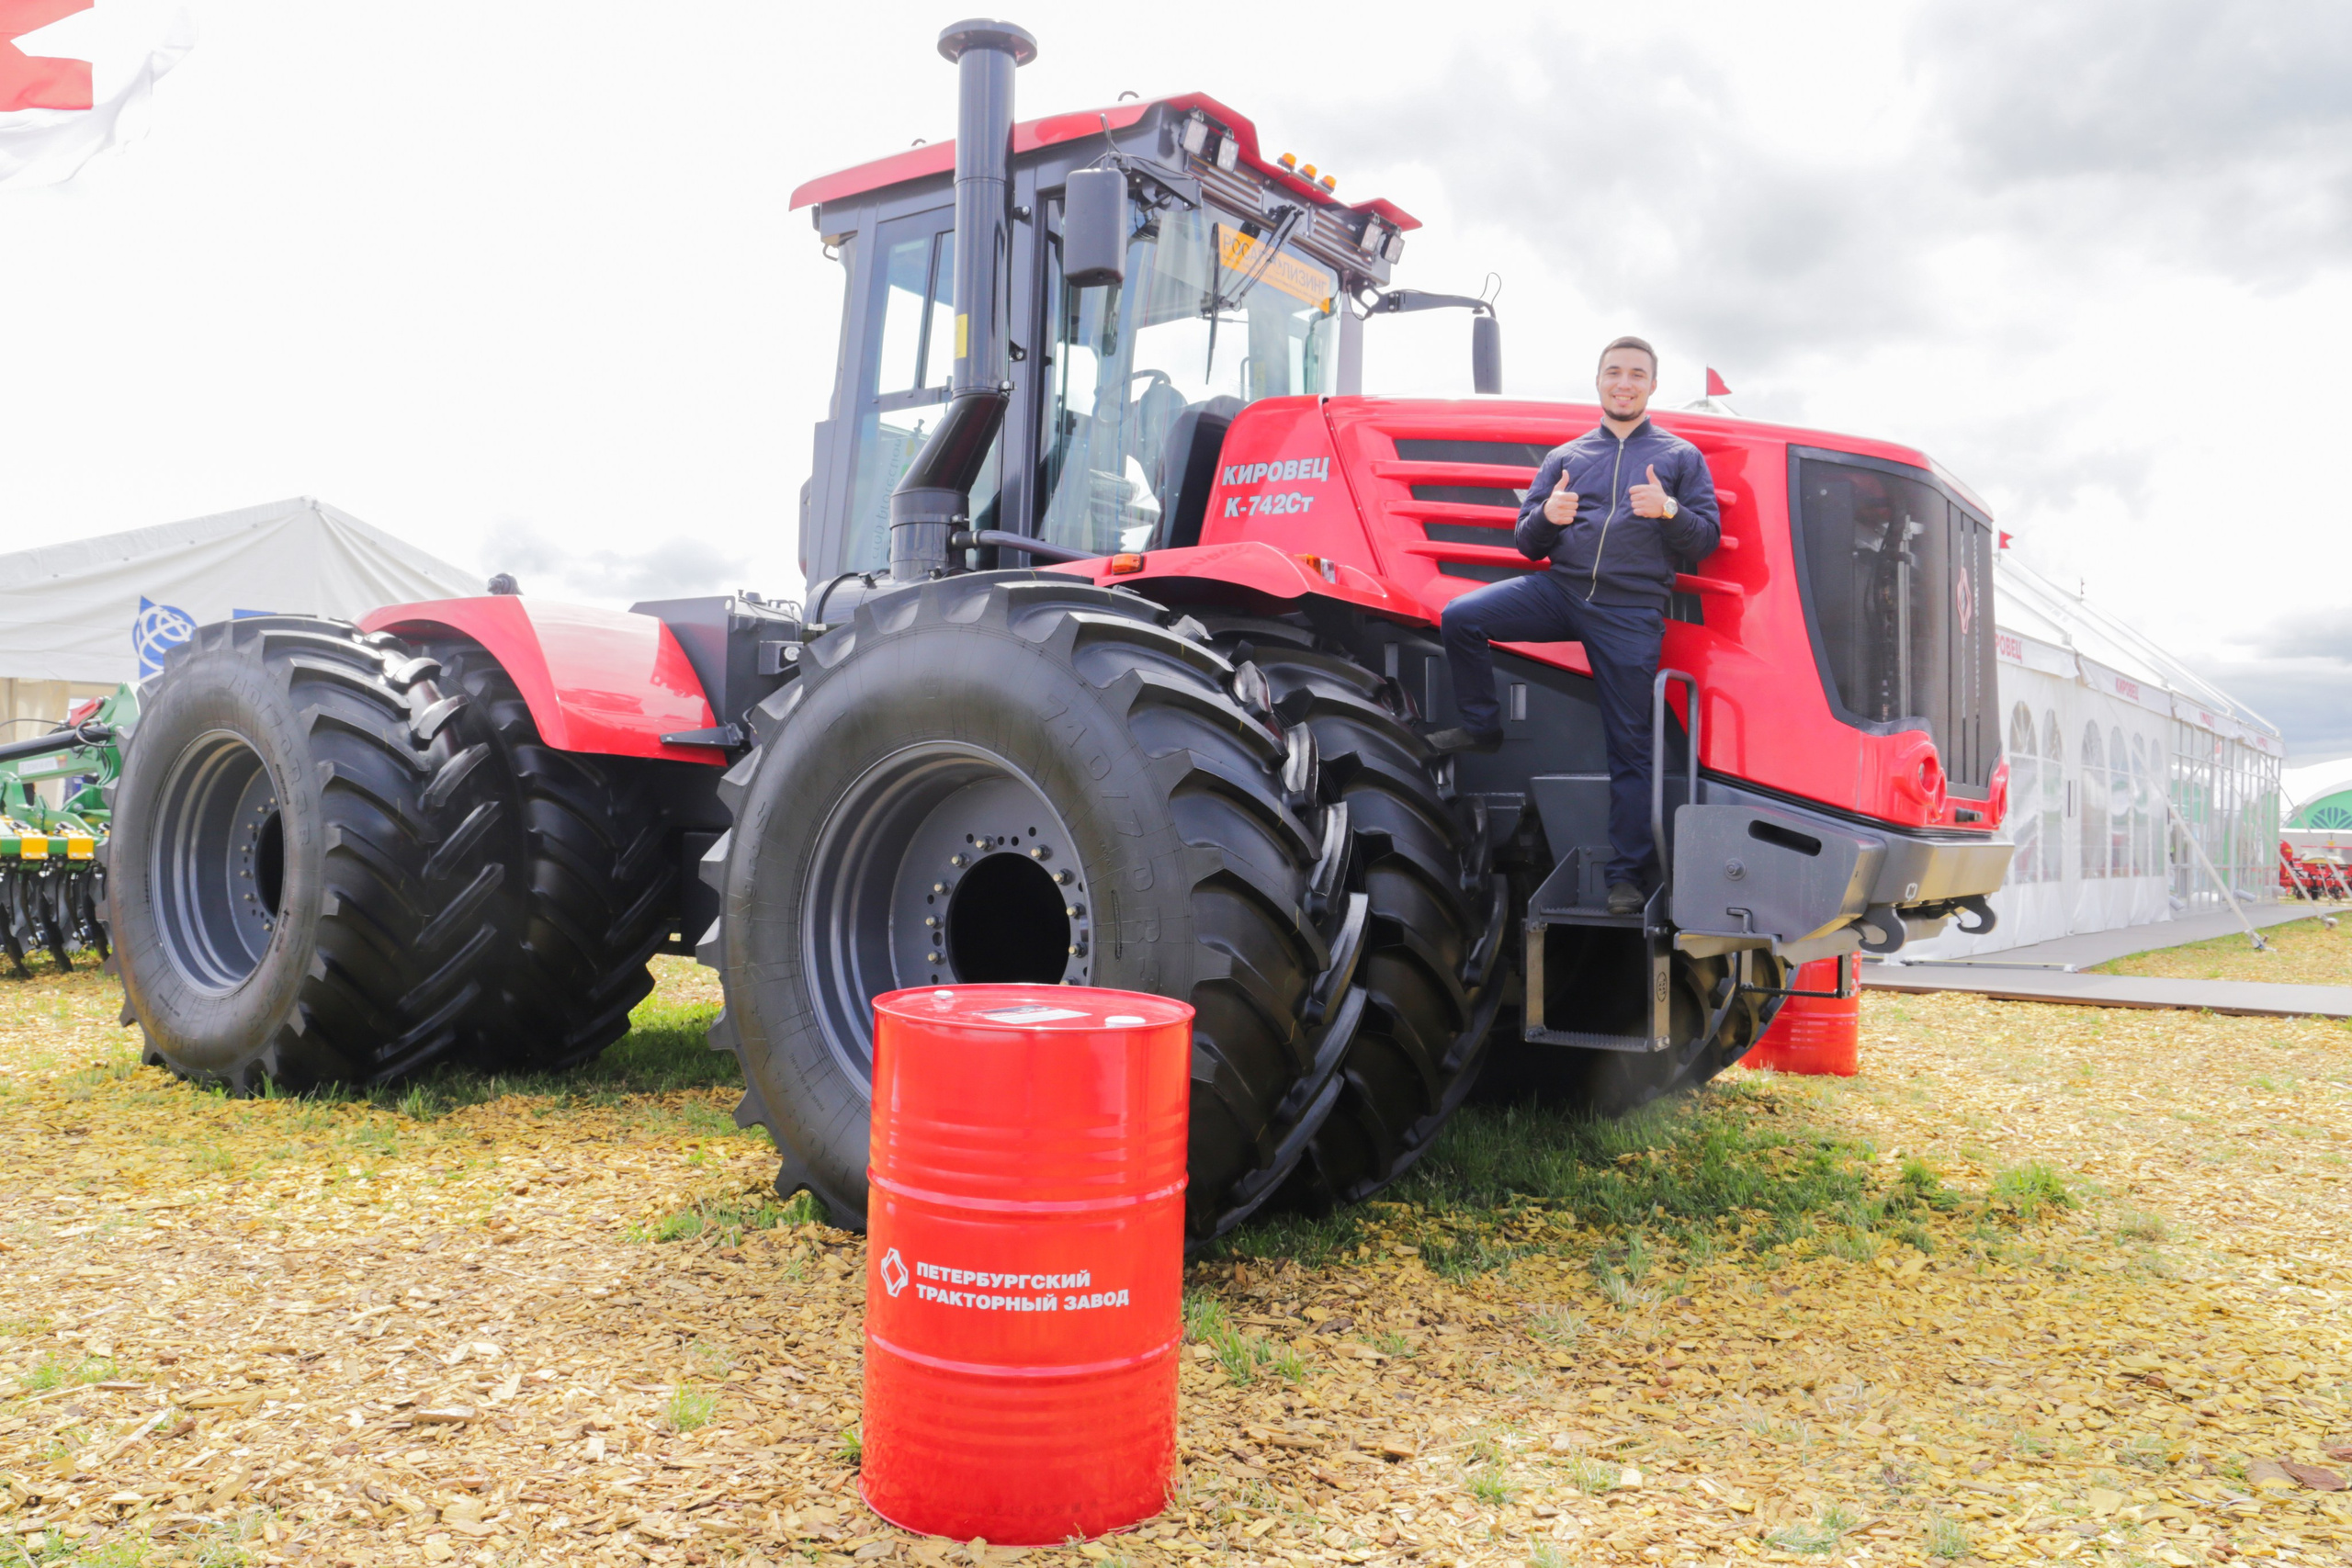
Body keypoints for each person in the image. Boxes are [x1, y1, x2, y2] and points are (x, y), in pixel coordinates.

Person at [1428, 335, 1722, 917]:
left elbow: (1705, 539)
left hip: (1628, 610)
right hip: (1559, 591)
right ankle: (1482, 726)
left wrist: (1667, 511)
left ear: (1652, 386)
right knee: (1461, 617)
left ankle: (1627, 877)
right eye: (1614, 372)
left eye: (1637, 374)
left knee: (1631, 748)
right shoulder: (1566, 456)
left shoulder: (1682, 457)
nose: (1625, 382)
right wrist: (1546, 516)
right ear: (1598, 380)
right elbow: (1526, 540)